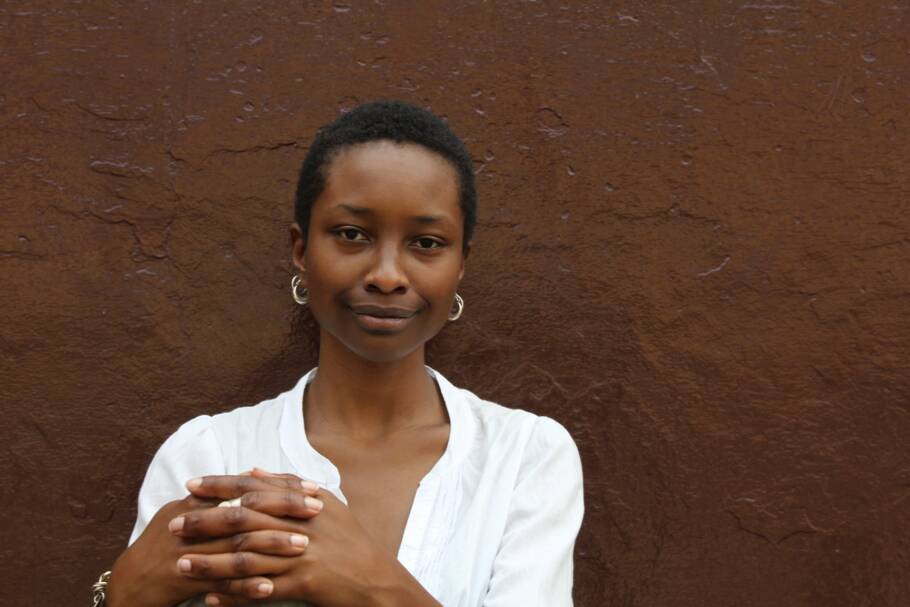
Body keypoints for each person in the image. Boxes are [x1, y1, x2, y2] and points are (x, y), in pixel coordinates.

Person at [100, 100, 584, 607]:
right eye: (352, 235)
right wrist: (122, 594)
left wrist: (370, 583)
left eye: (426, 242)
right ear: (301, 249)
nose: (388, 275)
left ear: (461, 264)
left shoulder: (524, 457)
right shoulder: (209, 456)